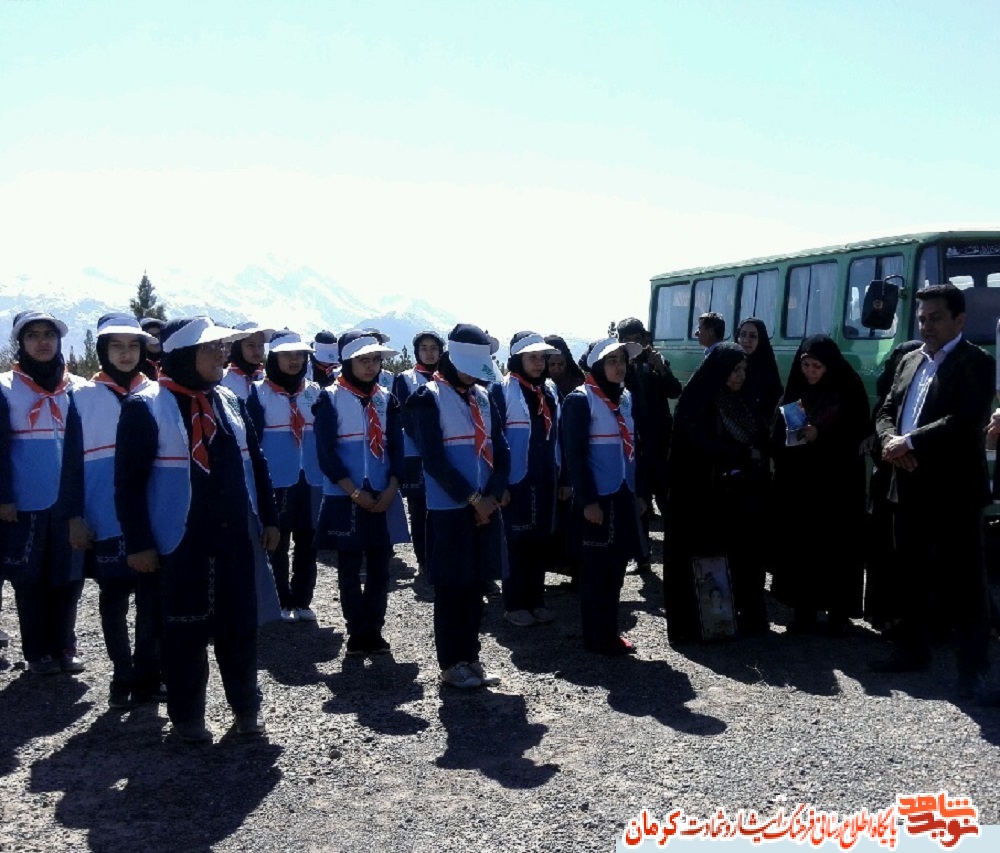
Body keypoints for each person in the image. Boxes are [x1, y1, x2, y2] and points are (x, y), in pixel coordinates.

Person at [115, 317, 280, 742]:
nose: (221, 355)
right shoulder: (145, 406)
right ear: (184, 355)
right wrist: (138, 543)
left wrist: (269, 518)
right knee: (182, 630)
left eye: (222, 347)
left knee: (239, 628)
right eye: (210, 348)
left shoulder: (229, 400)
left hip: (234, 537)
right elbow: (128, 484)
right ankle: (188, 718)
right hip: (178, 541)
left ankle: (246, 711)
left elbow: (257, 462)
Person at [871, 284, 995, 697]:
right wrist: (890, 441)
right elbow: (887, 409)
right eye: (922, 318)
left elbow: (965, 420)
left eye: (935, 318)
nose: (926, 325)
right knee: (910, 572)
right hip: (907, 485)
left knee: (966, 583)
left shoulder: (977, 362)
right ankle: (912, 649)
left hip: (954, 491)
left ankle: (973, 670)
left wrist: (909, 443)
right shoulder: (910, 360)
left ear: (959, 320)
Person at [60, 314, 163, 707]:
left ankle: (148, 675)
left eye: (133, 345)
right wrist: (74, 516)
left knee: (151, 600)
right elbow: (70, 463)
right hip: (104, 516)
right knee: (114, 597)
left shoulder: (156, 393)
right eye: (116, 346)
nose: (125, 353)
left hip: (150, 514)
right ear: (103, 350)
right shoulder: (81, 396)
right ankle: (122, 675)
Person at [407, 324, 510, 688]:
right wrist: (473, 499)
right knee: (452, 587)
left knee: (476, 584)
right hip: (450, 508)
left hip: (485, 505)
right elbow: (434, 460)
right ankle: (452, 663)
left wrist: (493, 494)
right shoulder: (428, 397)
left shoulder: (483, 395)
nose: (473, 374)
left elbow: (500, 447)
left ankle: (471, 656)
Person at [663, 343, 771, 641]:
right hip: (703, 498)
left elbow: (760, 437)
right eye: (734, 370)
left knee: (744, 558)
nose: (740, 376)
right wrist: (740, 453)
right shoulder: (697, 401)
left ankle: (744, 618)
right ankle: (703, 625)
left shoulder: (744, 400)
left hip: (740, 496)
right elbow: (697, 445)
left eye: (743, 370)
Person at [0, 311, 86, 675]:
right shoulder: (5, 387)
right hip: (25, 501)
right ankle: (38, 652)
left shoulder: (78, 388)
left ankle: (65, 646)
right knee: (29, 577)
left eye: (48, 334)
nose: (42, 342)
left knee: (70, 575)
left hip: (70, 501)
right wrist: (4, 496)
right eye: (33, 335)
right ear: (20, 343)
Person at [313, 331, 408, 656]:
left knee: (381, 567)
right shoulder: (329, 398)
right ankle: (356, 631)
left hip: (383, 493)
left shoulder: (387, 398)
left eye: (375, 360)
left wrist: (392, 486)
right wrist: (354, 492)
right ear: (348, 362)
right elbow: (326, 452)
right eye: (363, 360)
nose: (370, 367)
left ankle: (375, 630)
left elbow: (397, 446)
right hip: (346, 495)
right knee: (350, 567)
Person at [771, 334, 870, 635]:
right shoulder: (796, 391)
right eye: (806, 366)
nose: (811, 372)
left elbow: (858, 434)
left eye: (817, 367)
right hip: (803, 488)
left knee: (837, 551)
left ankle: (839, 615)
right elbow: (778, 436)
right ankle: (804, 612)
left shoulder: (848, 390)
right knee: (803, 550)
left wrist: (823, 436)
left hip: (838, 488)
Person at [561, 337, 648, 655]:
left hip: (622, 493)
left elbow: (635, 447)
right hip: (598, 498)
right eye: (611, 361)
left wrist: (640, 491)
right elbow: (575, 455)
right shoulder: (580, 400)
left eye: (622, 360)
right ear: (597, 366)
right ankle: (595, 637)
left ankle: (610, 631)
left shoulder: (625, 398)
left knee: (616, 568)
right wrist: (588, 501)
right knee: (596, 571)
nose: (619, 367)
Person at [247, 330, 324, 623]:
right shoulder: (258, 393)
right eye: (287, 355)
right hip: (275, 479)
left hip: (311, 478)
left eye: (299, 355)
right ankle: (281, 599)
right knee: (276, 541)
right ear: (273, 359)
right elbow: (253, 441)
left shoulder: (315, 391)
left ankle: (302, 600)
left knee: (308, 539)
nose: (294, 361)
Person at [490, 332, 561, 627]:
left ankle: (536, 599)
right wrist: (500, 483)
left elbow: (557, 435)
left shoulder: (548, 390)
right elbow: (494, 439)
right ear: (518, 359)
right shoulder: (502, 390)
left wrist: (561, 474)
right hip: (516, 480)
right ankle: (515, 603)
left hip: (544, 476)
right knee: (516, 542)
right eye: (532, 357)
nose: (538, 362)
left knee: (539, 541)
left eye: (542, 357)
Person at [863, 339, 922, 632]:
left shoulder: (924, 398)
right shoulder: (886, 401)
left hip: (916, 486)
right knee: (884, 553)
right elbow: (879, 432)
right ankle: (885, 616)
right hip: (885, 486)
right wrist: (892, 450)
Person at [617, 317, 683, 572]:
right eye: (628, 340)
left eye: (638, 339)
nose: (634, 344)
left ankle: (676, 555)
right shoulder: (619, 366)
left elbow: (675, 391)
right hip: (634, 442)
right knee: (640, 501)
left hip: (660, 442)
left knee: (668, 501)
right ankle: (642, 556)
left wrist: (661, 368)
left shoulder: (656, 362)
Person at [393, 330, 445, 572]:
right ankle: (424, 560)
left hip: (446, 451)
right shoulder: (406, 379)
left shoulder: (447, 378)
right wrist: (427, 445)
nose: (429, 353)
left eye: (434, 348)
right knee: (419, 508)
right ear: (416, 352)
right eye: (424, 348)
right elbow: (406, 416)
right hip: (416, 453)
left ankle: (445, 557)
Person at [735, 318, 783, 427]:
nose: (746, 340)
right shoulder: (728, 364)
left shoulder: (768, 369)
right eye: (743, 334)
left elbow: (775, 401)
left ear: (760, 339)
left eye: (752, 336)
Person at [221, 321, 275, 400]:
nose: (257, 350)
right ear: (238, 347)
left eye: (260, 345)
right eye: (251, 345)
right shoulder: (222, 380)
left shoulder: (271, 381)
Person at [543, 335, 585, 402]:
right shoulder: (537, 385)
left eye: (561, 364)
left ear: (566, 364)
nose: (556, 369)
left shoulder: (577, 385)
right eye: (552, 364)